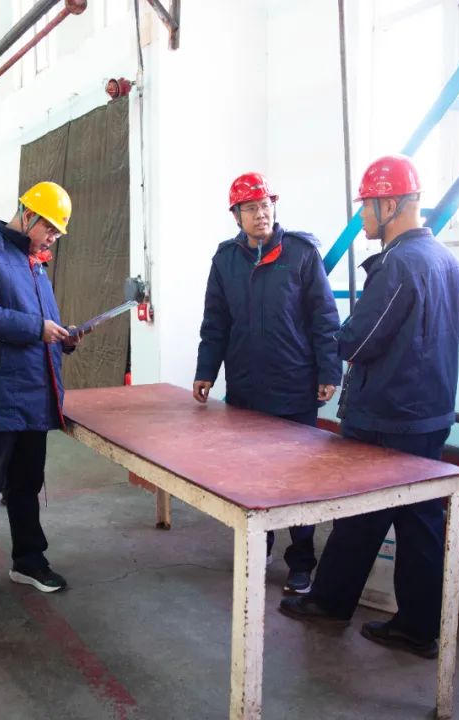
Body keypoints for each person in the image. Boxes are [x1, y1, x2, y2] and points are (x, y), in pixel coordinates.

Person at [279, 155, 459, 660]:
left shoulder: (398, 266)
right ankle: (409, 624)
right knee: (412, 521)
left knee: (364, 515)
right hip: (430, 414)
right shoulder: (449, 263)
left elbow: (357, 343)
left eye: (366, 205)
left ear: (390, 204)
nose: (362, 215)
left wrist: (331, 334)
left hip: (388, 416)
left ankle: (337, 604)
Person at [193, 172, 342, 594]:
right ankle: (259, 548)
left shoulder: (301, 254)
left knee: (298, 480)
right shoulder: (225, 261)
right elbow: (215, 322)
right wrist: (206, 370)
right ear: (236, 216)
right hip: (246, 390)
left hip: (294, 387)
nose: (261, 214)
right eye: (251, 208)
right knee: (251, 476)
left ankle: (302, 562)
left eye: (266, 206)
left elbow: (324, 317)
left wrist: (329, 371)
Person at [0, 181, 80, 609]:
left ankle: (29, 561)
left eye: (58, 233)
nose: (53, 238)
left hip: (31, 394)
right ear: (27, 215)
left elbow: (41, 321)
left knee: (26, 484)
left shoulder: (33, 262)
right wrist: (37, 329)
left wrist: (62, 337)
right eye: (50, 229)